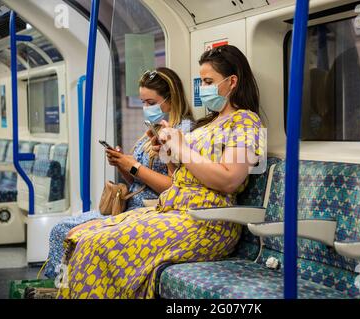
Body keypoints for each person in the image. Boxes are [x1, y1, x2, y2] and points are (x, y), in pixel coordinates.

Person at [57, 45, 264, 299]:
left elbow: (230, 179)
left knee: (95, 245)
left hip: (208, 220)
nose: (203, 88)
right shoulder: (207, 123)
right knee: (78, 235)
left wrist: (181, 148)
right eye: (201, 81)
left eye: (209, 81)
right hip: (175, 208)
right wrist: (168, 151)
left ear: (232, 82)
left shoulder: (246, 122)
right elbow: (180, 176)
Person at [43, 67, 194, 279]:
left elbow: (174, 185)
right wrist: (122, 165)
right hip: (131, 204)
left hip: (152, 209)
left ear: (171, 99)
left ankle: (71, 287)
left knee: (72, 233)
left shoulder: (184, 131)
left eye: (151, 103)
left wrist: (133, 166)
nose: (145, 108)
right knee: (61, 228)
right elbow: (138, 181)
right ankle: (63, 288)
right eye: (143, 102)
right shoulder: (153, 129)